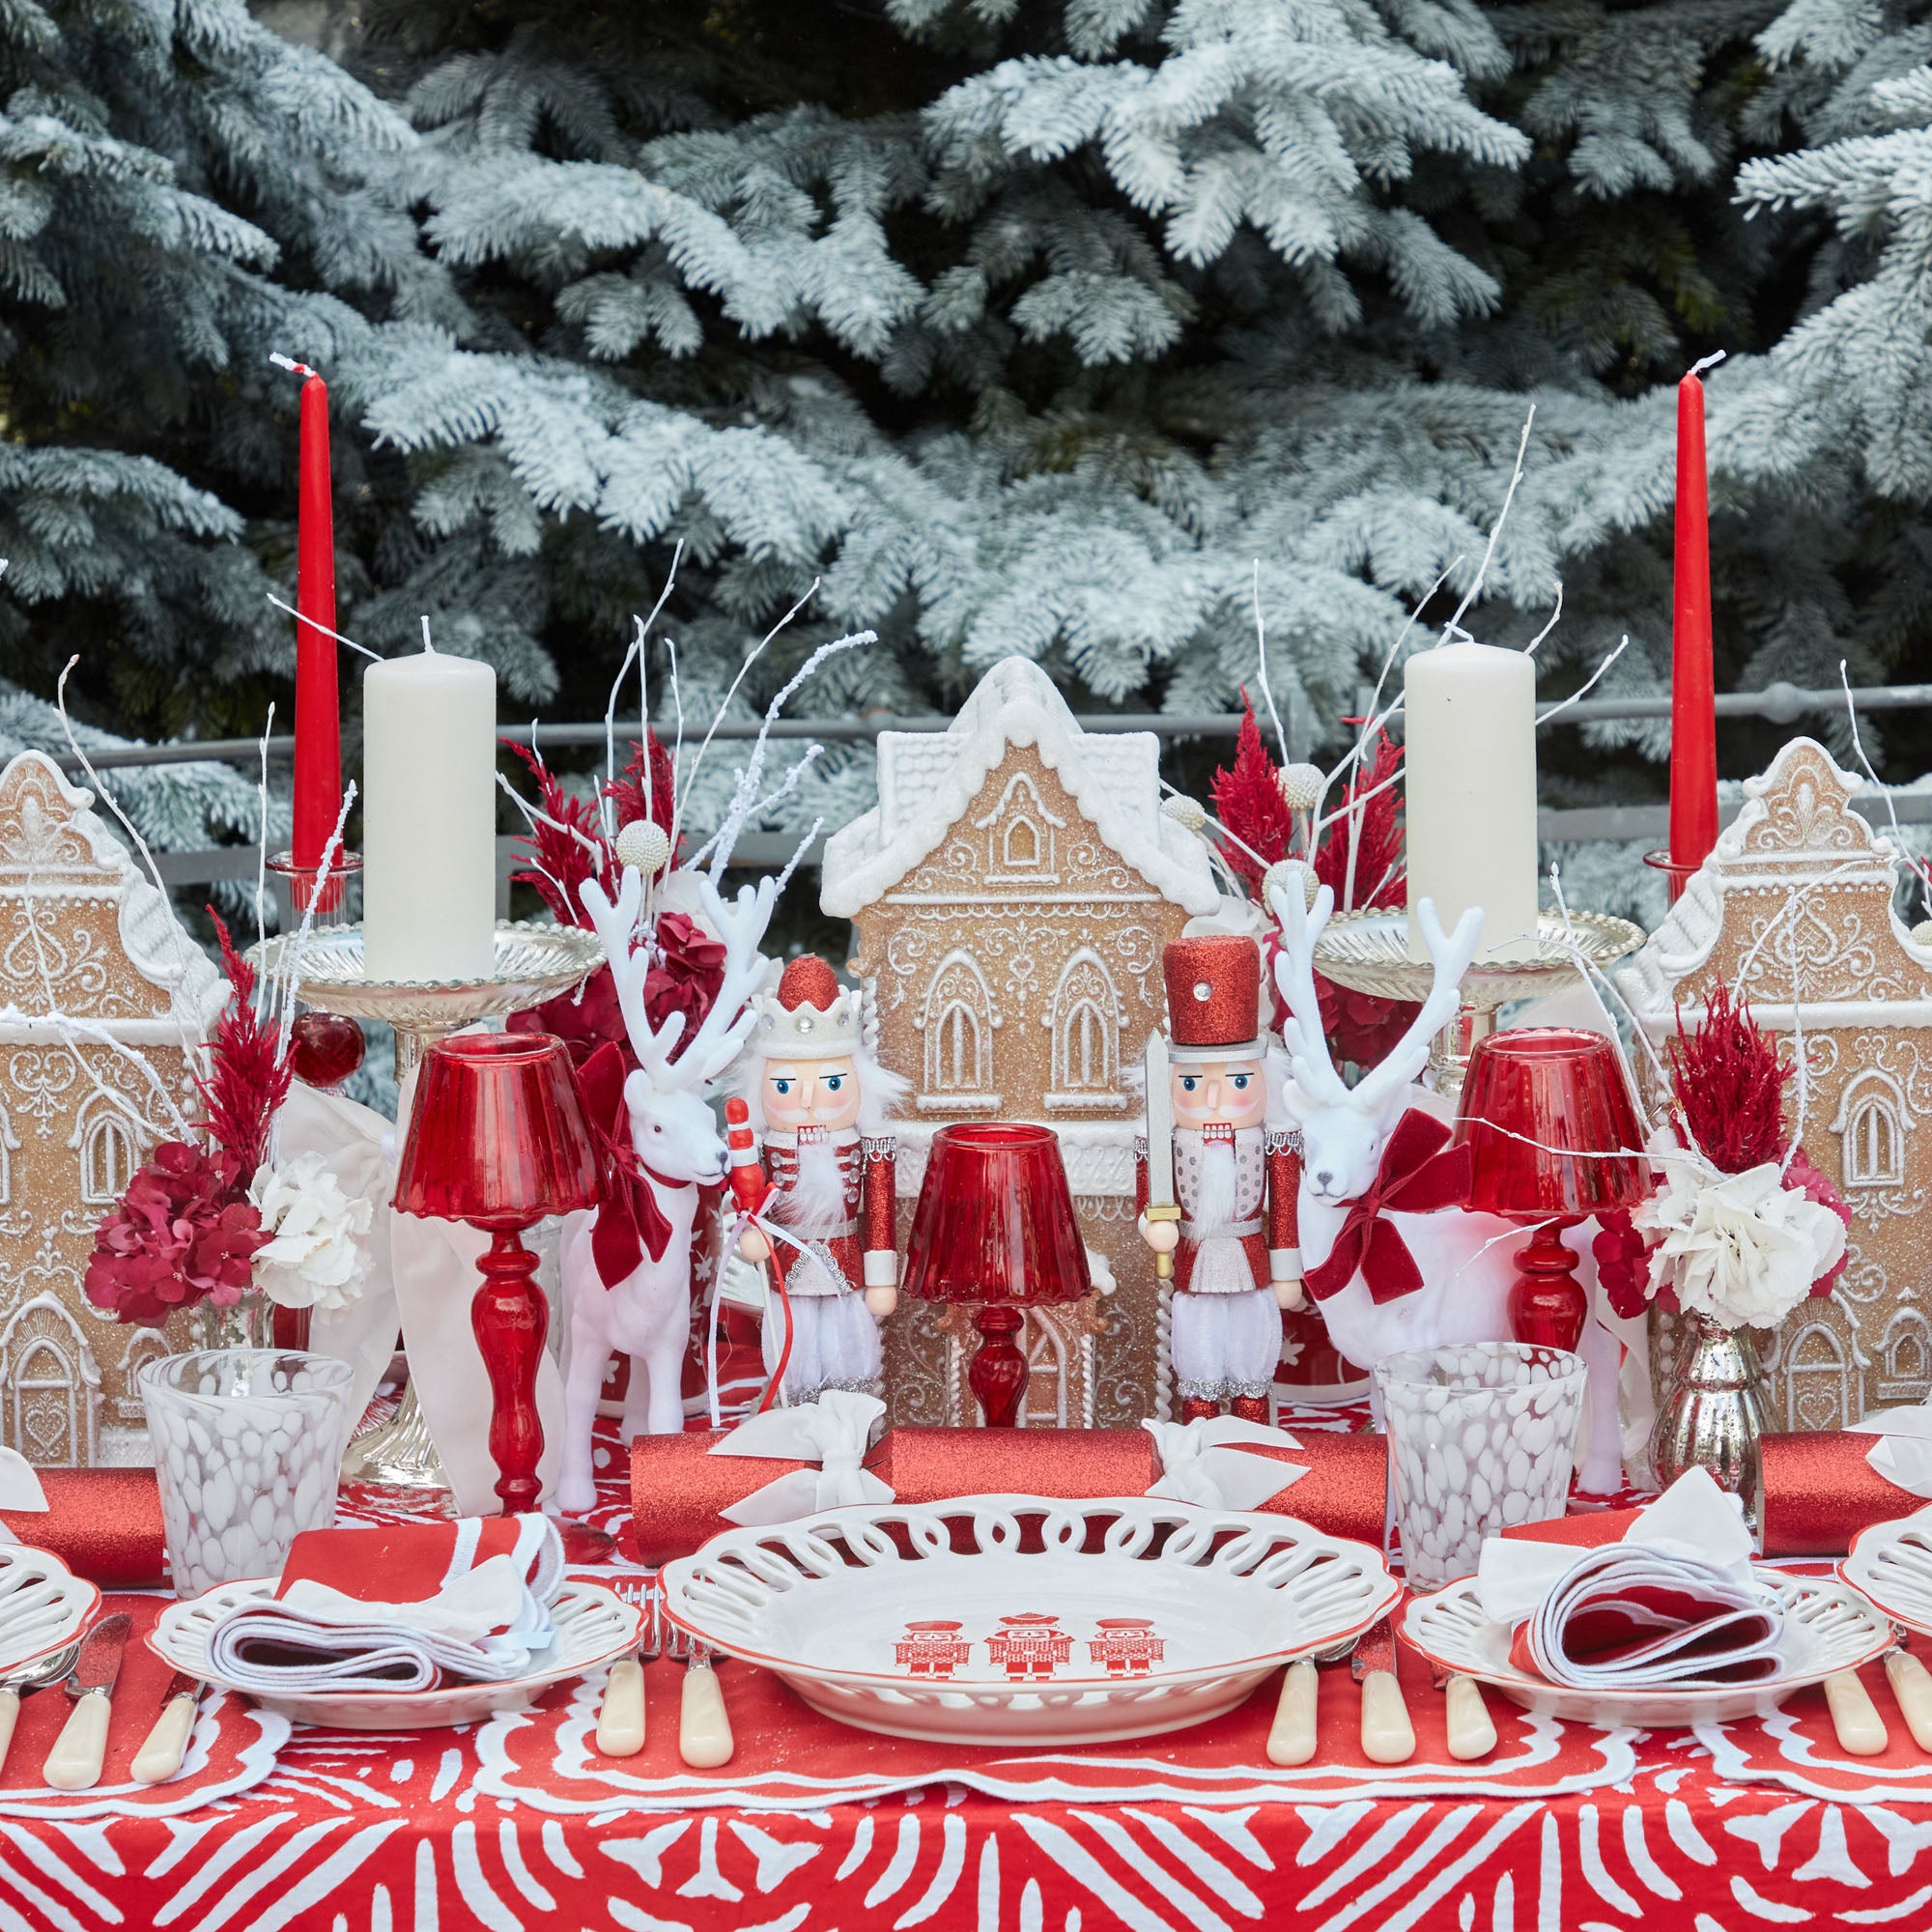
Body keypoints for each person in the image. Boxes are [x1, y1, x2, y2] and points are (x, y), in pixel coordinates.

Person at [1136, 934, 1302, 1422]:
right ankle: (1200, 1424)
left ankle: (1252, 1423)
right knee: (1198, 1338)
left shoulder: (1272, 1140)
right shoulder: (1162, 1142)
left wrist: (1287, 1269)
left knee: (1252, 1336)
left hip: (1252, 1260)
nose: (1213, 1100)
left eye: (1235, 1081)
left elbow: (1285, 1206)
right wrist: (1154, 1226)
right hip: (1194, 1260)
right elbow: (1148, 1201)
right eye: (1191, 1083)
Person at [736, 955, 908, 1400]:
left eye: (832, 1084)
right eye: (785, 1086)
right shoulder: (762, 1145)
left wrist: (882, 1277)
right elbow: (751, 1200)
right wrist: (751, 1235)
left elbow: (880, 1211)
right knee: (792, 1351)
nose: (809, 1100)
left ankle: (846, 1428)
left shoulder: (869, 1144)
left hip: (845, 1265)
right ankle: (796, 1420)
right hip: (787, 1269)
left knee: (846, 1349)